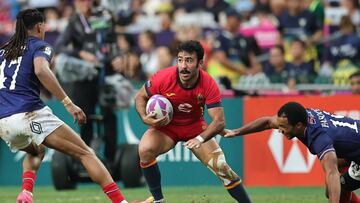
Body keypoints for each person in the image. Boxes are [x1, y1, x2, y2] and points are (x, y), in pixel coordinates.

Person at [0, 9, 127, 203]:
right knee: (85, 153)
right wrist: (68, 103)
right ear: (40, 26)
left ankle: (26, 193)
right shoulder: (40, 46)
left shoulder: (3, 50)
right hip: (28, 113)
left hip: (4, 122)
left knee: (37, 150)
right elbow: (42, 70)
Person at [134, 40, 252, 203]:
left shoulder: (208, 83)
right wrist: (144, 117)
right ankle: (158, 201)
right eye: (180, 59)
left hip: (195, 127)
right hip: (167, 127)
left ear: (200, 63)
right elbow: (140, 96)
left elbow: (219, 121)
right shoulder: (163, 77)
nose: (183, 66)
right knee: (145, 150)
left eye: (189, 60)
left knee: (222, 167)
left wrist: (200, 138)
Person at [223, 101, 360, 203]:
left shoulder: (320, 138)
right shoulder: (300, 117)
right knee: (333, 189)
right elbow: (267, 122)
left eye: (283, 127)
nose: (279, 130)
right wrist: (236, 132)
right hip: (353, 148)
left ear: (299, 126)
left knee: (337, 186)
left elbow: (332, 173)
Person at [54, 0, 118, 162]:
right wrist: (80, 53)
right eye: (81, 0)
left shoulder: (104, 16)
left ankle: (111, 157)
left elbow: (113, 42)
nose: (85, 3)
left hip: (105, 73)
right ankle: (86, 157)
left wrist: (116, 58)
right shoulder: (74, 22)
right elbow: (60, 46)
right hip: (84, 78)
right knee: (84, 115)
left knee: (108, 114)